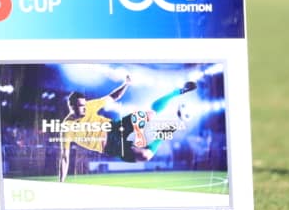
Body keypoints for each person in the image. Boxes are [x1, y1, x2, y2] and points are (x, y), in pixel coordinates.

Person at [58, 75, 197, 181]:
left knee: (149, 114)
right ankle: (165, 131)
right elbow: (65, 157)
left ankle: (178, 91)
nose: (83, 108)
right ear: (71, 106)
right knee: (145, 155)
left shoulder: (90, 106)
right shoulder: (67, 127)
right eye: (79, 106)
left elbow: (113, 96)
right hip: (111, 147)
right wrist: (61, 182)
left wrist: (126, 84)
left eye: (84, 105)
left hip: (116, 127)